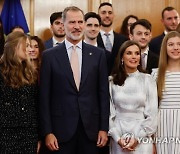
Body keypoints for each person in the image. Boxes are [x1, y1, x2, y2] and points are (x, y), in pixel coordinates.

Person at [39, 6, 109, 154]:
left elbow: (103, 94)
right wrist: (47, 132)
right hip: (59, 133)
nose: (77, 27)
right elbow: (44, 97)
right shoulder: (49, 56)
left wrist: (104, 128)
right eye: (72, 22)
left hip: (92, 131)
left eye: (80, 22)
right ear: (63, 24)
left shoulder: (98, 54)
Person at [109, 40, 158, 154]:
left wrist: (138, 138)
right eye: (129, 53)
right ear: (122, 57)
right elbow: (110, 113)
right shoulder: (111, 81)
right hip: (118, 134)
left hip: (142, 134)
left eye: (137, 53)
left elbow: (152, 114)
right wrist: (117, 138)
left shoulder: (148, 79)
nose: (134, 56)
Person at [0, 31, 40, 153]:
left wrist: (38, 136)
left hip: (29, 133)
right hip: (5, 133)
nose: (30, 49)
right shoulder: (1, 70)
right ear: (14, 46)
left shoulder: (30, 72)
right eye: (26, 45)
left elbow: (34, 104)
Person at [151, 31, 180, 154]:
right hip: (162, 125)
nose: (175, 48)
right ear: (165, 48)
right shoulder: (156, 74)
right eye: (171, 44)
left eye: (179, 44)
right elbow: (151, 108)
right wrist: (151, 139)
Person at [97, 2, 127, 75]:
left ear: (113, 15)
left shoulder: (124, 40)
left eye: (110, 13)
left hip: (119, 80)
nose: (107, 15)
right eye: (103, 13)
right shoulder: (92, 39)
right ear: (98, 16)